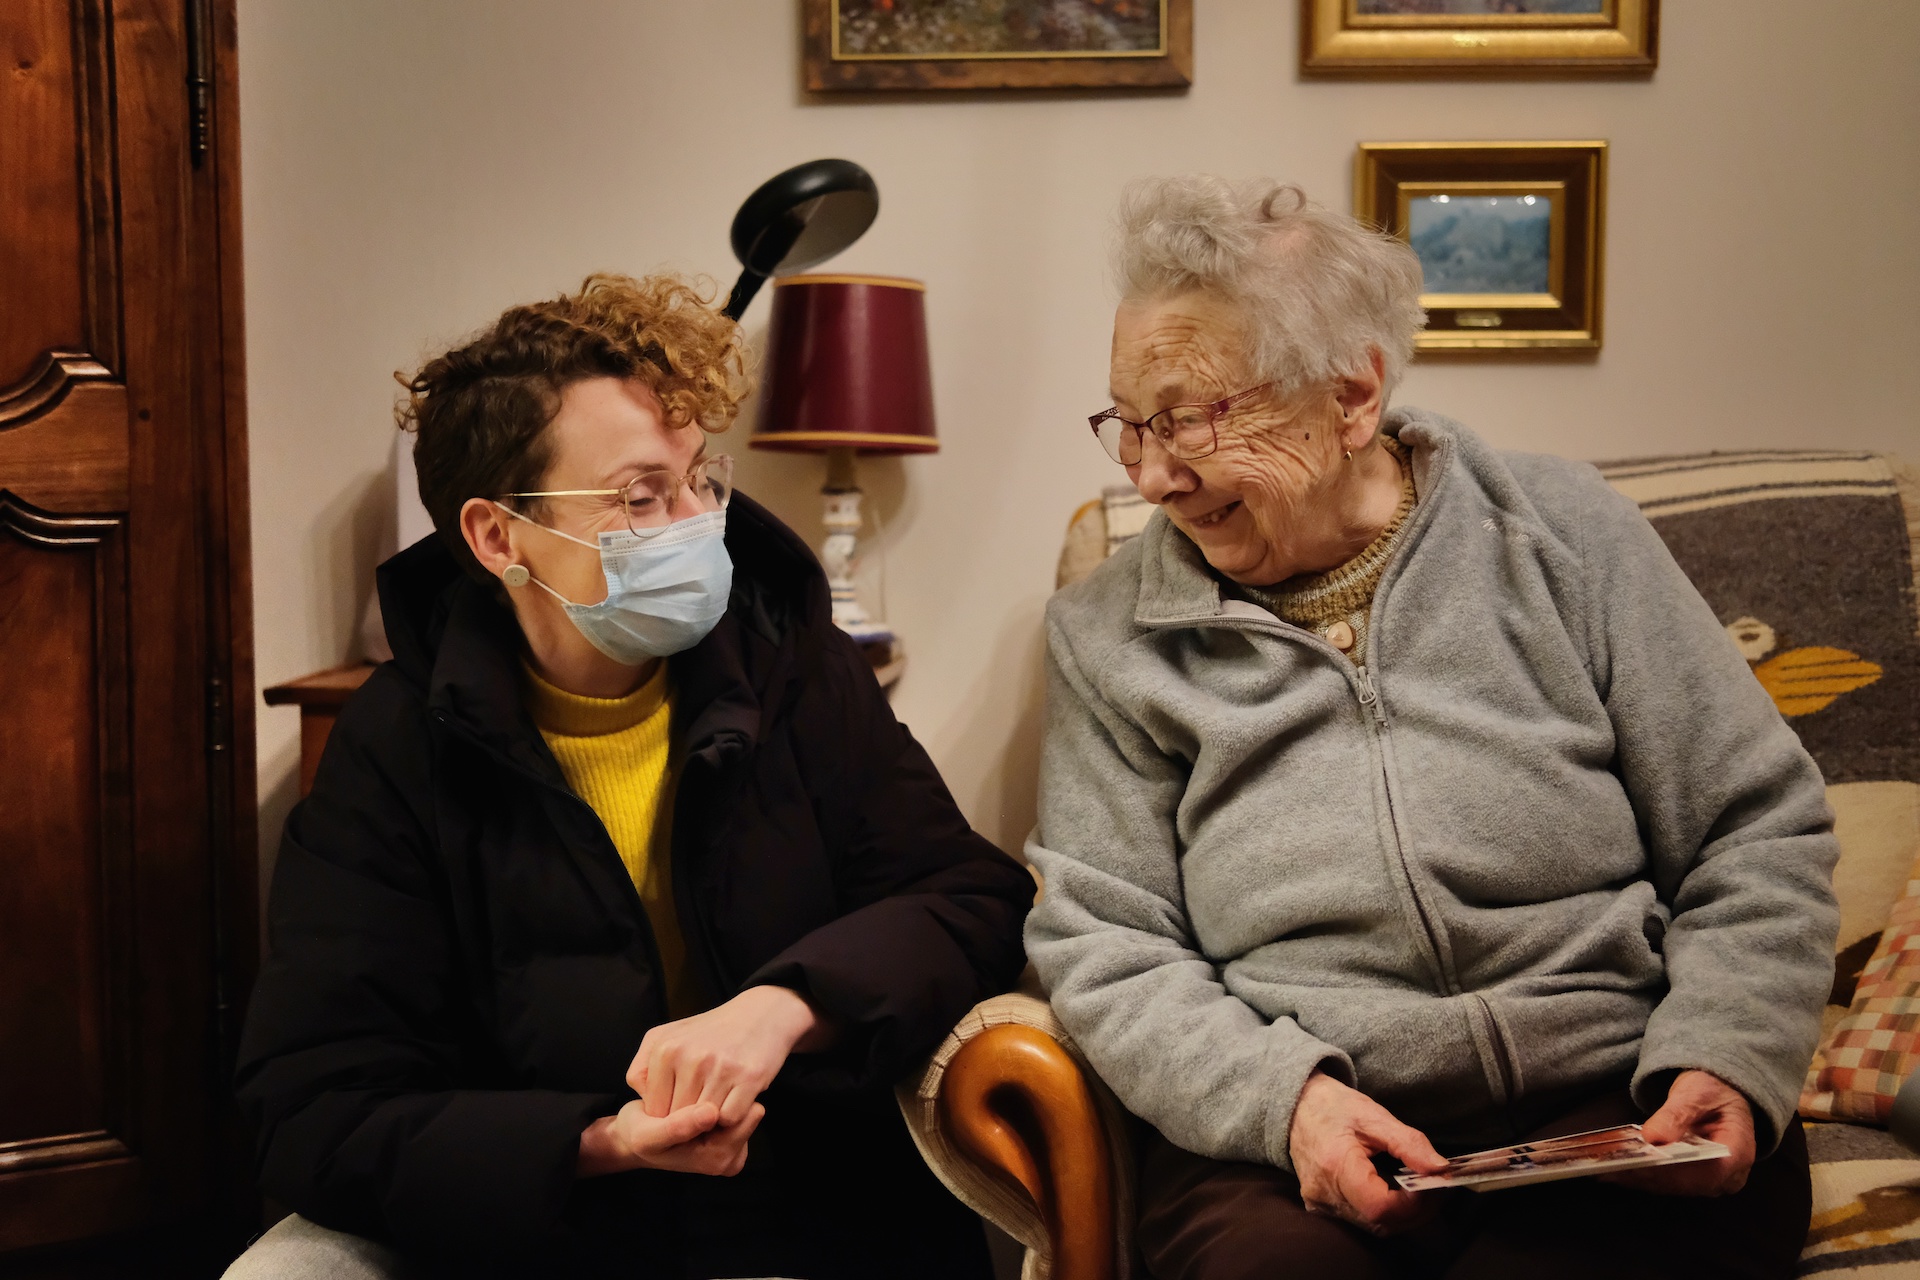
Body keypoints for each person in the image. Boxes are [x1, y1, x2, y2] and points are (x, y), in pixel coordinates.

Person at [1024, 178, 1839, 1280]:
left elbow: (1754, 828)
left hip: (1613, 1082)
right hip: (1298, 1122)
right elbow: (1105, 940)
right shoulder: (1106, 636)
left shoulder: (1565, 535)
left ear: (1351, 395)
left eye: (1192, 419)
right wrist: (1287, 1102)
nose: (1154, 475)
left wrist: (1726, 1051)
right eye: (1130, 424)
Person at [231, 274, 1033, 1279]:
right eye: (642, 496)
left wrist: (783, 1006)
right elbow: (312, 1104)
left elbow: (969, 898)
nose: (697, 522)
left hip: (806, 1211)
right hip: (548, 1231)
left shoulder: (793, 670)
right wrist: (599, 1141)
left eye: (699, 480)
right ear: (496, 535)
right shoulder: (397, 744)